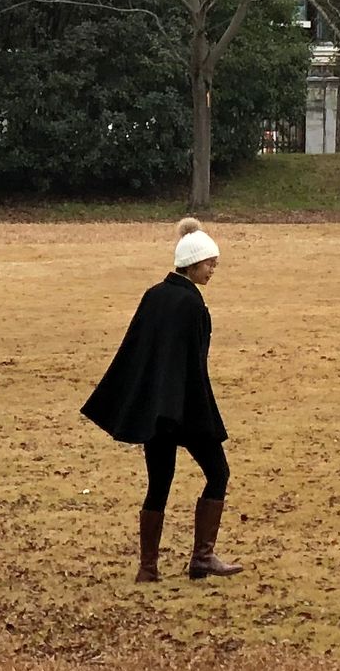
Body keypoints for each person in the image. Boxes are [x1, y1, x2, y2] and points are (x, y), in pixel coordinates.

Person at [81, 219, 238, 581]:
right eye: (209, 263)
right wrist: (205, 417)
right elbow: (194, 364)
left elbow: (137, 352)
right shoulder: (191, 305)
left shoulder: (154, 295)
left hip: (155, 410)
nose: (213, 269)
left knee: (160, 483)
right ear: (192, 264)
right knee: (218, 472)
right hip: (186, 409)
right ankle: (202, 558)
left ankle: (148, 568)